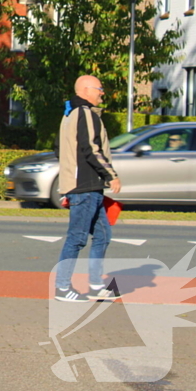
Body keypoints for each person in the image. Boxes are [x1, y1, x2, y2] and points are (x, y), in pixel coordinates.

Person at [54, 75, 123, 302]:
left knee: (103, 234)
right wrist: (111, 175)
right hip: (84, 187)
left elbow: (58, 148)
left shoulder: (69, 115)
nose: (102, 92)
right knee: (77, 238)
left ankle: (95, 285)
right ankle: (62, 287)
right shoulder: (84, 113)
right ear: (85, 90)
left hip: (86, 186)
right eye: (99, 88)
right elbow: (91, 148)